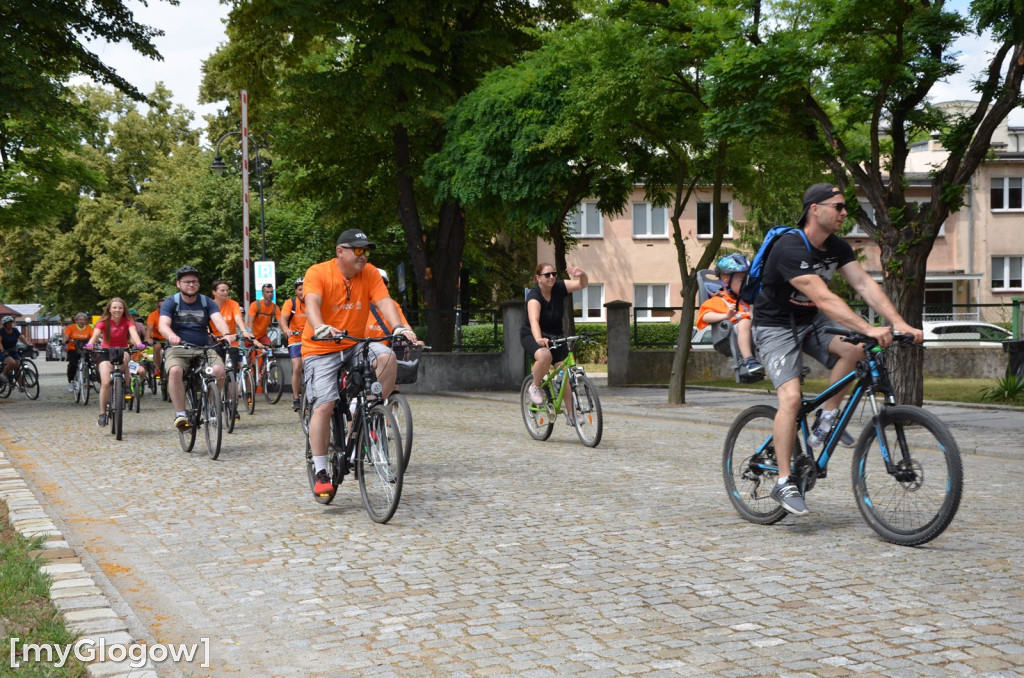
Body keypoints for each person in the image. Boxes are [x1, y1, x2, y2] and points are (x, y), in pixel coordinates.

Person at [752, 183, 923, 516]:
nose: (846, 213)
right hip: (774, 326)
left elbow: (864, 284)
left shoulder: (837, 247)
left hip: (810, 322)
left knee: (857, 350)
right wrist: (869, 327)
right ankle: (783, 480)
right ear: (815, 209)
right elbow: (824, 297)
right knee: (789, 398)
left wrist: (898, 322)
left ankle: (826, 418)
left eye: (847, 208)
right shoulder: (790, 247)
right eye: (839, 207)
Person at [303, 229, 419, 499]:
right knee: (324, 404)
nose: (363, 255)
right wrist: (319, 326)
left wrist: (399, 327)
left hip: (354, 344)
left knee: (387, 356)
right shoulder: (318, 272)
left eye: (366, 250)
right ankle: (321, 471)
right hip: (321, 347)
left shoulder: (371, 273)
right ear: (339, 252)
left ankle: (368, 408)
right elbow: (312, 305)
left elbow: (384, 302)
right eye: (357, 250)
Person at [158, 266, 236, 431]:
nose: (191, 285)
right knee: (175, 371)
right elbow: (163, 325)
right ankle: (180, 414)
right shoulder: (171, 302)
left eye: (194, 281)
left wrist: (226, 334)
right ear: (179, 284)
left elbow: (218, 320)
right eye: (187, 282)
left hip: (203, 347)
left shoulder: (206, 302)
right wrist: (171, 336)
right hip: (178, 348)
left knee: (219, 370)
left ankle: (211, 405)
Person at [520, 263, 588, 407]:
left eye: (554, 274)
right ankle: (535, 386)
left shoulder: (559, 287)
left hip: (555, 335)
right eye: (547, 275)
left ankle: (572, 415)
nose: (552, 277)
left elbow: (581, 285)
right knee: (545, 356)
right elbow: (534, 320)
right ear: (538, 278)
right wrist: (538, 338)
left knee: (565, 375)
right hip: (533, 334)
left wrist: (582, 275)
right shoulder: (534, 296)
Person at [84, 298, 147, 427]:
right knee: (105, 383)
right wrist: (90, 344)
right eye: (115, 307)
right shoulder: (103, 322)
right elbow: (95, 335)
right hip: (105, 352)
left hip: (122, 350)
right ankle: (102, 414)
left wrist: (139, 344)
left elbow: (134, 334)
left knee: (125, 360)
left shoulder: (128, 321)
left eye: (120, 308)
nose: (117, 310)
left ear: (124, 310)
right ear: (109, 309)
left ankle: (126, 386)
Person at [697, 254, 762, 375]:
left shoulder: (746, 300)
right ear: (727, 282)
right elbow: (705, 316)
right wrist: (726, 316)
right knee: (744, 322)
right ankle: (748, 360)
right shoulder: (718, 301)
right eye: (743, 281)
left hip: (755, 333)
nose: (747, 284)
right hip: (729, 335)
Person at [280, 277, 307, 412]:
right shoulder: (291, 303)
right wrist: (286, 329)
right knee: (297, 366)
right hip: (295, 339)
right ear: (296, 291)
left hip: (311, 339)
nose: (303, 292)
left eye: (305, 288)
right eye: (300, 289)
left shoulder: (314, 301)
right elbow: (283, 319)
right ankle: (296, 398)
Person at [64, 312, 94, 392]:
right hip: (73, 348)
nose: (81, 321)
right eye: (80, 319)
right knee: (73, 364)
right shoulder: (71, 327)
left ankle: (89, 380)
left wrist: (92, 344)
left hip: (85, 348)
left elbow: (93, 337)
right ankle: (71, 381)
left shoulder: (89, 328)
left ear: (86, 321)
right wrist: (65, 340)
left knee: (89, 363)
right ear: (76, 320)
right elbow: (67, 335)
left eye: (83, 320)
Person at [248, 283, 281, 347]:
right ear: (263, 293)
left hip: (262, 335)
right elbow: (250, 322)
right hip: (250, 334)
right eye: (267, 292)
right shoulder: (255, 305)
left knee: (270, 348)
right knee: (251, 353)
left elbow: (281, 322)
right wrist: (253, 338)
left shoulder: (275, 307)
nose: (270, 294)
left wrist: (286, 333)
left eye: (271, 292)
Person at [1, 315, 27, 391]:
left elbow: (22, 338)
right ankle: (3, 375)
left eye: (11, 323)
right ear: (5, 324)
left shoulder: (15, 330)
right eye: (8, 323)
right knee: (11, 363)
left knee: (17, 368)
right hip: (2, 351)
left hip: (12, 350)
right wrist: (2, 350)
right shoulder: (1, 331)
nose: (10, 324)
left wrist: (29, 344)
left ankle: (21, 386)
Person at [145, 300, 166, 378]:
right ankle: (157, 368)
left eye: (164, 307)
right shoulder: (153, 315)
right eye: (160, 307)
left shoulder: (171, 314)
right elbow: (149, 328)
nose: (162, 309)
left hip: (169, 338)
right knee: (157, 347)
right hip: (158, 338)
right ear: (157, 307)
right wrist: (148, 338)